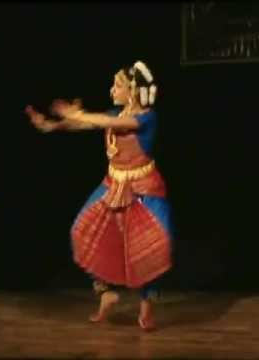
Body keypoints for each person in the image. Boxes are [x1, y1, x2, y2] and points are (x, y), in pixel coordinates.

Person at [25, 61, 173, 331]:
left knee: (153, 248)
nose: (112, 90)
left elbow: (106, 122)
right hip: (112, 184)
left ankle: (147, 308)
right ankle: (106, 294)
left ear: (133, 90)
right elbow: (86, 124)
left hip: (144, 188)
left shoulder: (147, 117)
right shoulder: (115, 112)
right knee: (81, 231)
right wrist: (50, 125)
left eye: (117, 85)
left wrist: (80, 114)